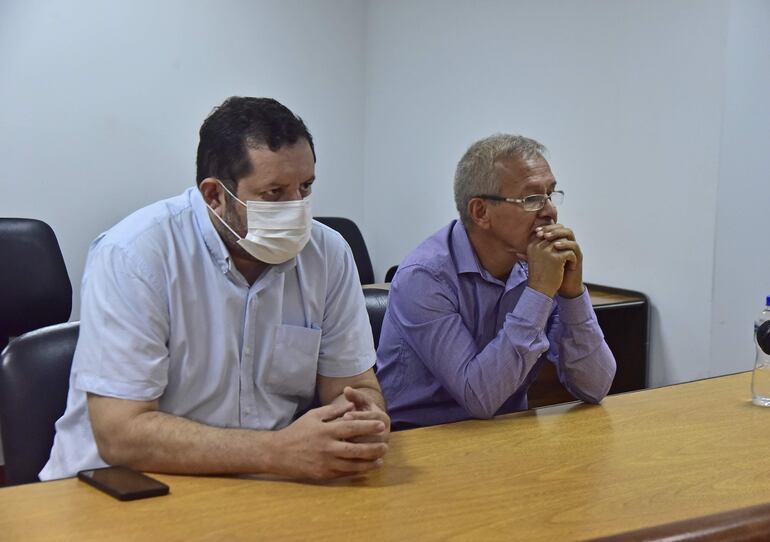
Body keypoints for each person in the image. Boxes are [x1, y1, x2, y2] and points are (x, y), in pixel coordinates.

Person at [41, 97, 390, 481]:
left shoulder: (328, 254)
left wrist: (362, 417)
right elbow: (121, 435)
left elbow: (353, 386)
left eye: (305, 187)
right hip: (116, 486)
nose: (297, 208)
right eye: (274, 193)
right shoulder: (135, 254)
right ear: (215, 196)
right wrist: (276, 451)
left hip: (261, 484)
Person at [376, 134, 616, 429]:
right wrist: (539, 293)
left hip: (504, 437)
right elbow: (479, 398)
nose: (550, 211)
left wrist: (573, 295)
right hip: (420, 443)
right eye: (531, 199)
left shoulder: (537, 265)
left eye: (551, 195)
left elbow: (596, 387)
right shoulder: (424, 277)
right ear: (481, 212)